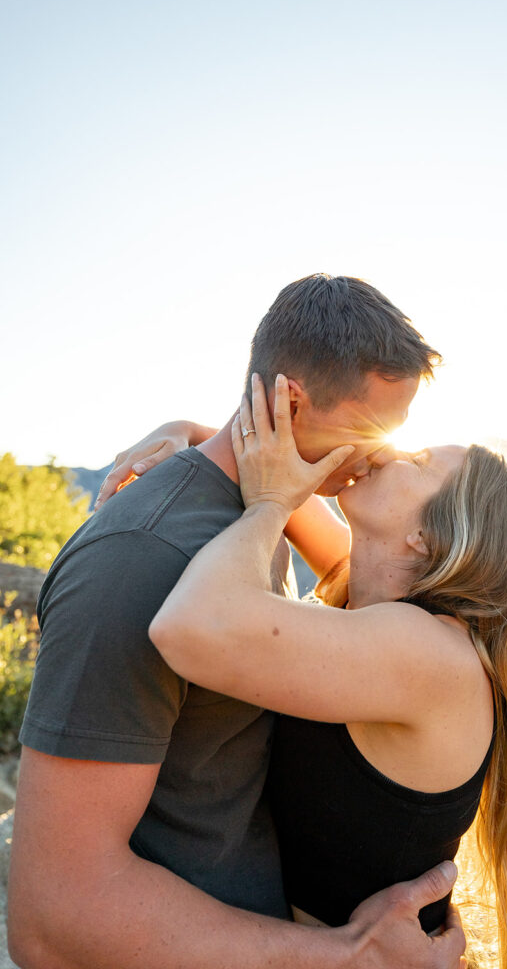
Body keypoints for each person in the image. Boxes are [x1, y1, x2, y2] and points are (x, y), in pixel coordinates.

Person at [8, 275, 469, 969]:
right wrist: (350, 956)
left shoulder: (268, 505)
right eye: (370, 431)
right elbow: (54, 916)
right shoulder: (139, 561)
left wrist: (191, 431)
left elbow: (354, 571)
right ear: (287, 405)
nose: (378, 455)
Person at [108, 375, 507, 969]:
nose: (391, 449)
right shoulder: (377, 601)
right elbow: (284, 479)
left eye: (417, 460)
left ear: (428, 537)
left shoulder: (431, 655)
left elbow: (191, 626)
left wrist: (268, 504)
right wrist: (191, 433)